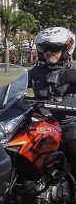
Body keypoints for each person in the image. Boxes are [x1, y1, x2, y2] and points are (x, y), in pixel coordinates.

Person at [28, 27, 76, 170]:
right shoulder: (36, 72)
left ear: (66, 49)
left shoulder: (73, 70)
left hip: (68, 122)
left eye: (54, 48)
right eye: (45, 48)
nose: (49, 52)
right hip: (42, 122)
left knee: (73, 147)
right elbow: (15, 86)